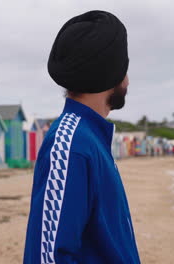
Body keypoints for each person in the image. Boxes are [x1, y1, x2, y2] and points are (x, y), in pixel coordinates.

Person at [23, 10, 140, 264]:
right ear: (110, 74)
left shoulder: (90, 138)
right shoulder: (69, 143)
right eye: (124, 69)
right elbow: (49, 256)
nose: (128, 81)